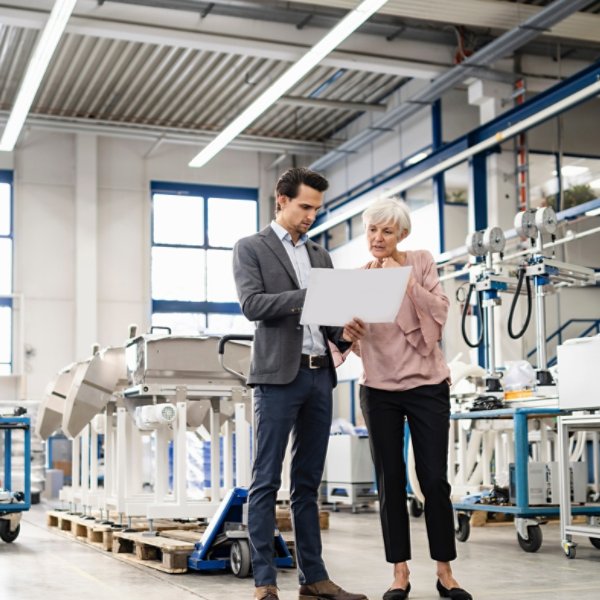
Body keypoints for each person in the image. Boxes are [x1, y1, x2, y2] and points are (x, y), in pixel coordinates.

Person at [233, 167, 368, 600]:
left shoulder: (321, 257)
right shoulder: (251, 248)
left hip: (318, 377)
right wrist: (305, 296)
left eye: (316, 209)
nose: (311, 215)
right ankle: (265, 582)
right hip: (276, 378)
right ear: (281, 200)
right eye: (305, 206)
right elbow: (253, 305)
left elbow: (329, 327)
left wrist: (347, 332)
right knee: (266, 479)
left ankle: (315, 578)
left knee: (308, 482)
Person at [351, 198, 473, 600]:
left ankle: (445, 572)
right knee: (391, 481)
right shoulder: (360, 278)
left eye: (387, 231)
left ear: (401, 235)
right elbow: (348, 341)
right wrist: (346, 332)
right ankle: (399, 573)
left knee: (434, 479)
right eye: (372, 230)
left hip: (427, 385)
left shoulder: (420, 261)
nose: (377, 238)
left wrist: (405, 282)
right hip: (379, 390)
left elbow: (439, 312)